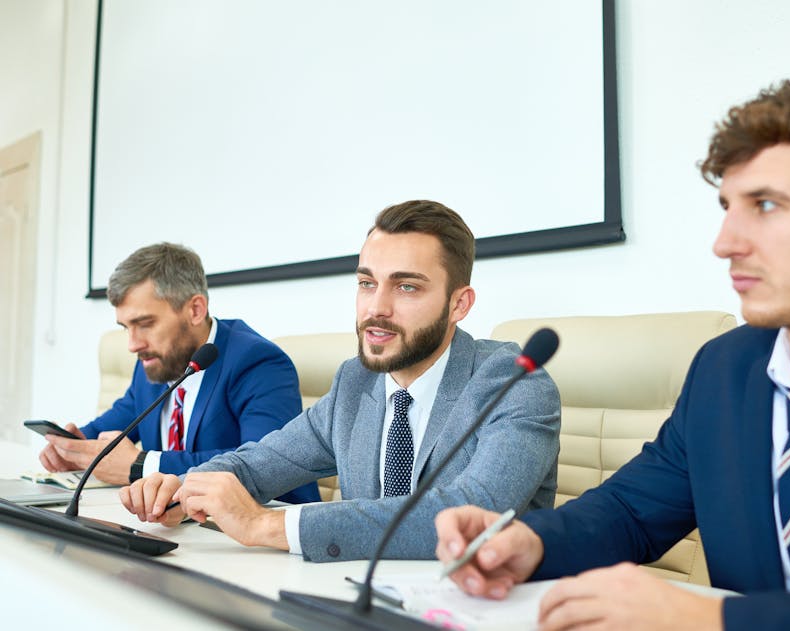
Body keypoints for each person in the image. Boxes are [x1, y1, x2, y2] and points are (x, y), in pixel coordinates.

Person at [434, 71, 790, 629]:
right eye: (728, 207)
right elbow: (631, 513)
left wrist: (712, 619)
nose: (725, 243)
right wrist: (529, 543)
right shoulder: (725, 368)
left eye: (766, 205)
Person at [120, 200, 561, 561]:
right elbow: (259, 462)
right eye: (367, 283)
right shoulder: (356, 382)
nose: (377, 308)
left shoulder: (515, 382)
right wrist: (187, 487)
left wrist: (267, 525)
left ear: (459, 304)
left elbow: (471, 512)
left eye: (407, 287)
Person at [39, 242, 320, 504]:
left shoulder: (258, 363)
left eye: (145, 324)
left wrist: (142, 464)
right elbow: (118, 421)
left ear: (195, 310)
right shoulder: (156, 361)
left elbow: (265, 462)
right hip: (177, 528)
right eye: (126, 327)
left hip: (262, 541)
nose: (133, 344)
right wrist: (72, 448)